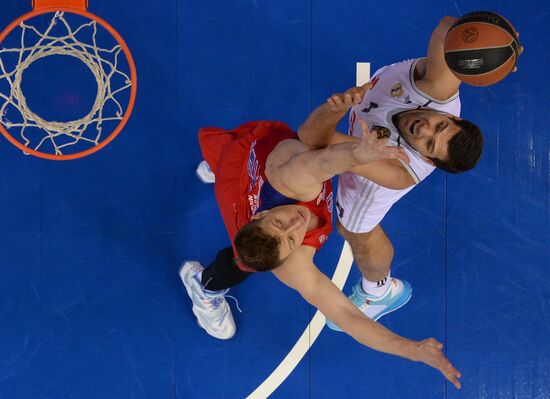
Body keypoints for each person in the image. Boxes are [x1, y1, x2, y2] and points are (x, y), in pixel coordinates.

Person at [181, 116, 462, 388]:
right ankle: (204, 285)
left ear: (261, 214)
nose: (295, 223)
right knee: (244, 262)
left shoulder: (293, 180)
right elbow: (347, 317)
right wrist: (412, 350)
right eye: (291, 239)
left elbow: (324, 160)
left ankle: (220, 167)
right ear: (287, 258)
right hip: (243, 176)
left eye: (279, 222)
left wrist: (359, 153)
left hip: (254, 161)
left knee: (238, 162)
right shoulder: (292, 265)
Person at [297, 16, 488, 329]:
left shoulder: (395, 168)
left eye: (428, 143)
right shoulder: (438, 87)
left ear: (427, 159)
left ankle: (380, 292)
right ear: (450, 117)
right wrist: (486, 38)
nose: (425, 128)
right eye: (439, 125)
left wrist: (335, 109)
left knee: (355, 231)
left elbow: (312, 138)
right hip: (366, 128)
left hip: (365, 178)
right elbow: (445, 28)